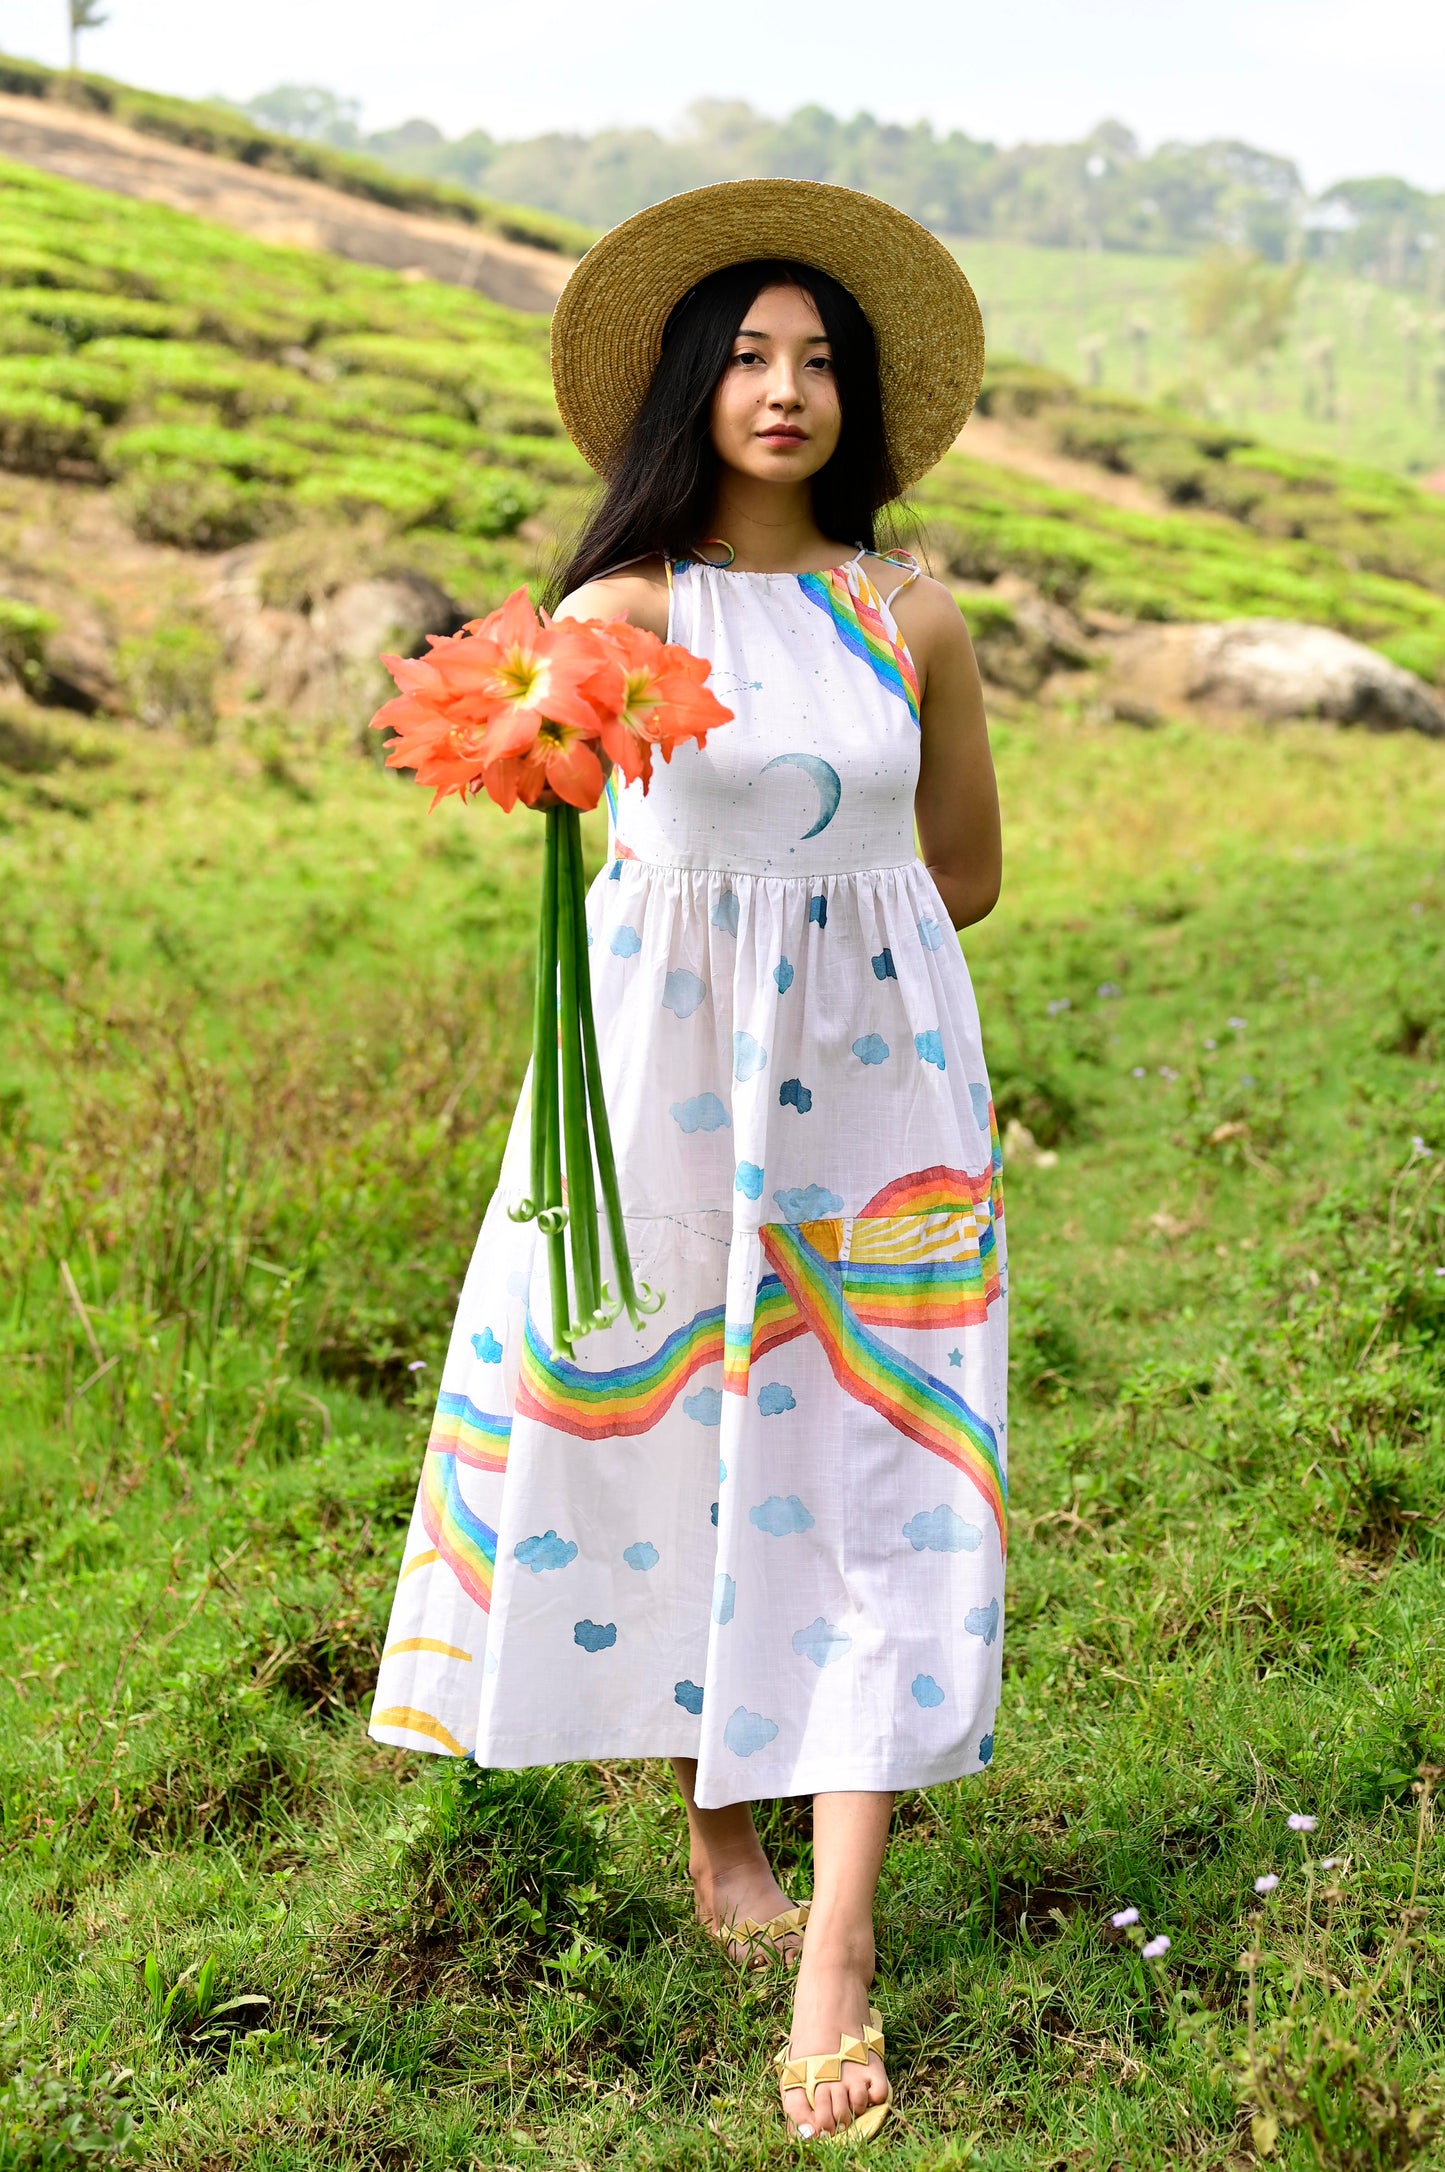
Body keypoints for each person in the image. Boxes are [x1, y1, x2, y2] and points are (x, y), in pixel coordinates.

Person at [370, 179, 1006, 2143]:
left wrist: (841, 942)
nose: (789, 389)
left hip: (878, 1097)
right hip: (668, 1088)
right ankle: (717, 1817)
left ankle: (837, 1943)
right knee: (685, 1434)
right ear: (685, 386)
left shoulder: (911, 613)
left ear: (864, 398)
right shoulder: (623, 612)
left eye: (822, 361)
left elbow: (968, 868)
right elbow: (544, 788)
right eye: (749, 354)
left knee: (879, 1465)